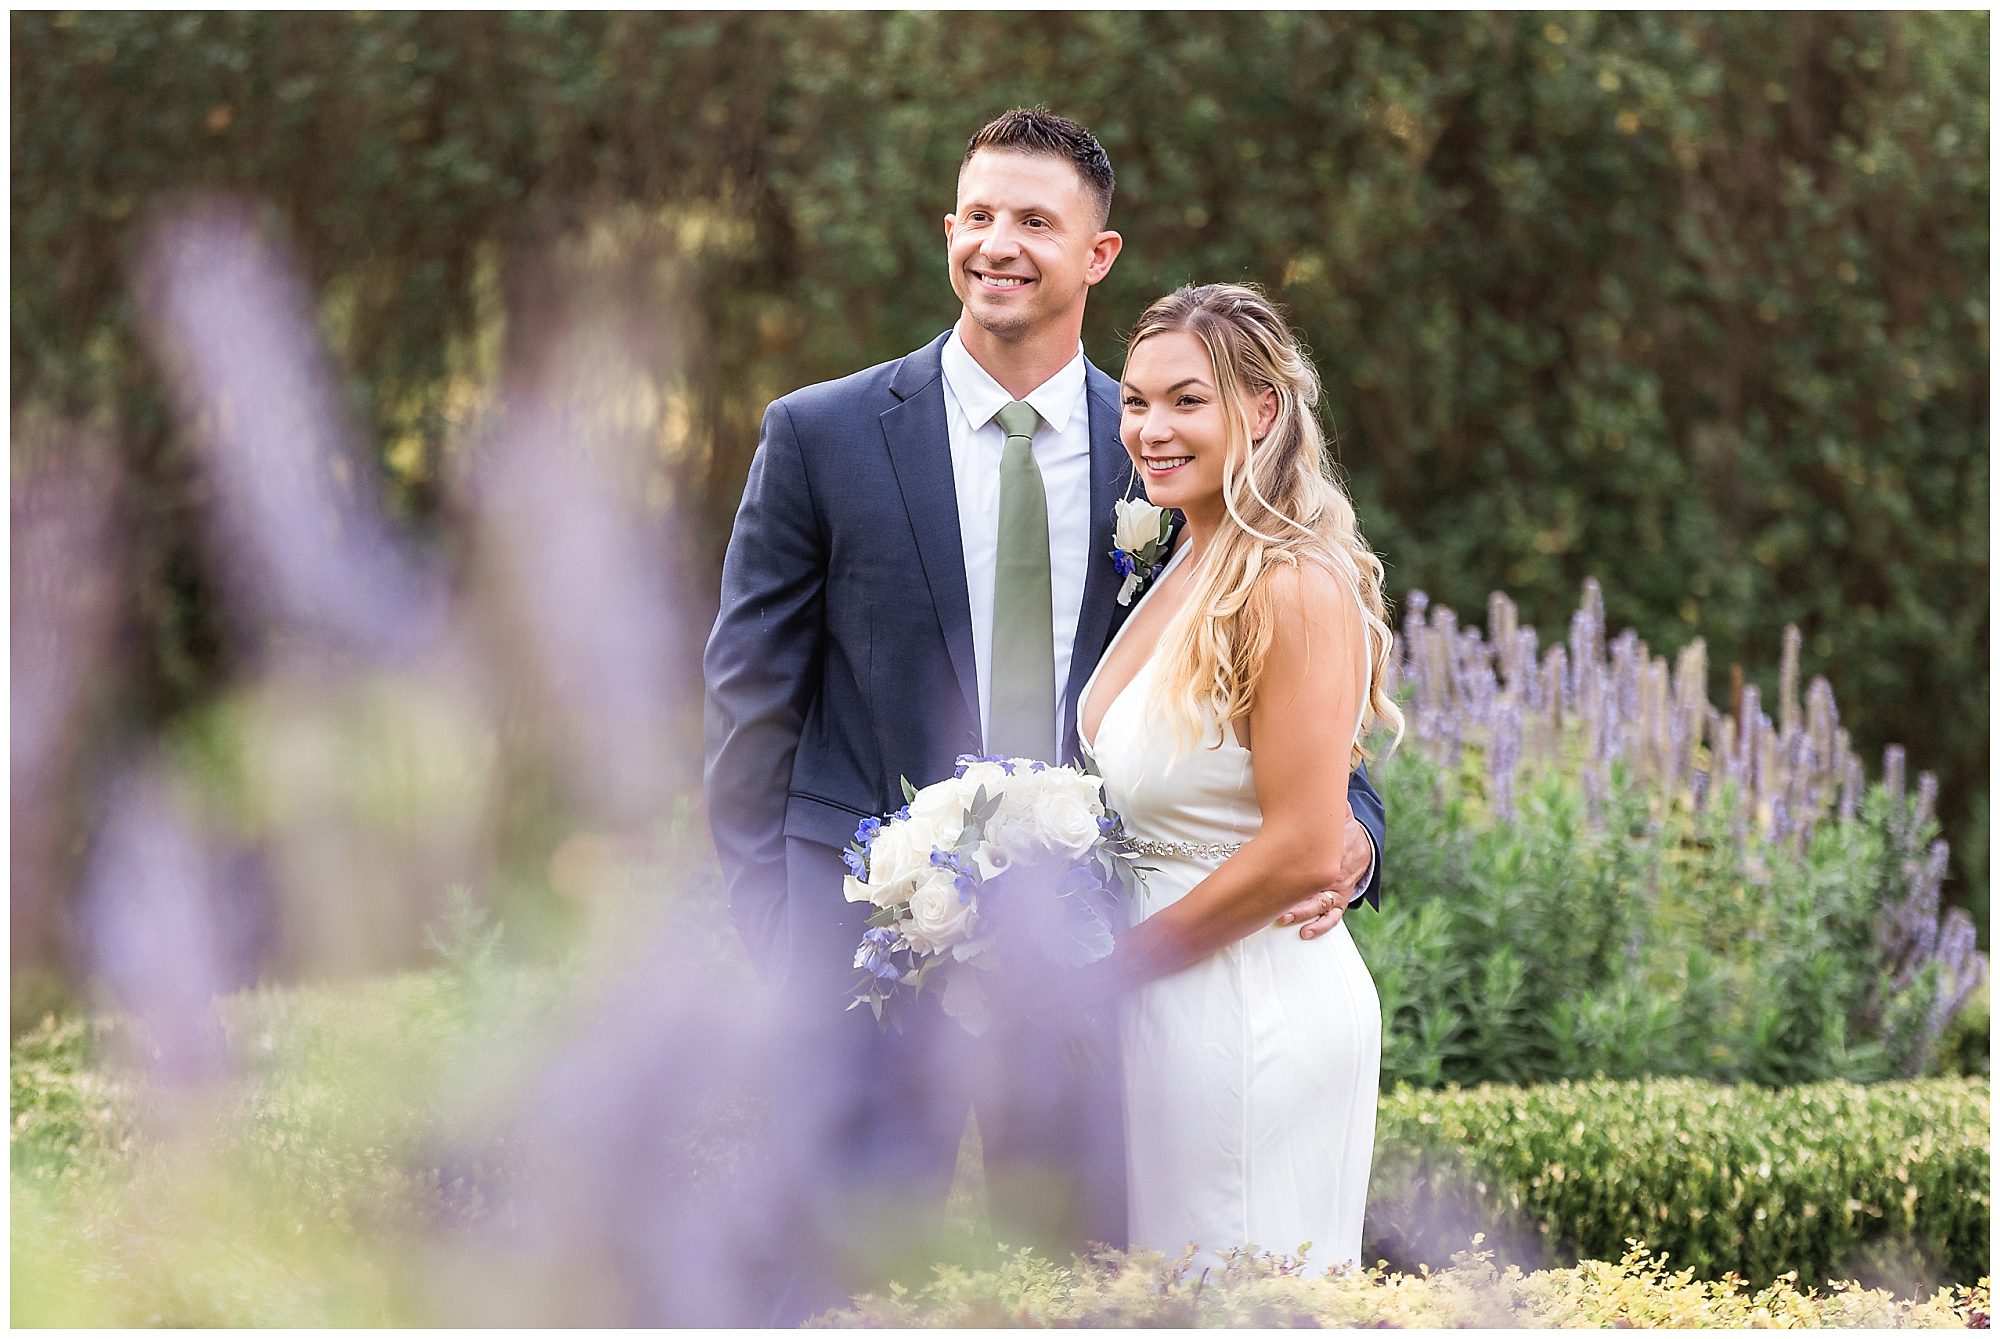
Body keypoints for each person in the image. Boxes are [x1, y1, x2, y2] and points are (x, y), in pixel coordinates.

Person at [702, 110, 1385, 1319]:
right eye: (977, 216)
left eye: (1033, 220)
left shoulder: (1169, 444)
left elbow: (1291, 679)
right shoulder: (818, 436)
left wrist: (1355, 835)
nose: (997, 244)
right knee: (849, 1288)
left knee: (1098, 1287)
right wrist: (782, 945)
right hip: (866, 960)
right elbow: (747, 708)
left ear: (1097, 254)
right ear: (946, 231)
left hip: (1100, 977)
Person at [1077, 282, 1399, 1273]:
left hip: (1248, 1006)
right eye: (1134, 401)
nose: (1149, 428)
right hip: (1168, 1006)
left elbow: (1305, 840)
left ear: (1260, 411)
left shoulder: (1292, 583)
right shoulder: (1179, 558)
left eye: (1186, 400)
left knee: (1242, 1294)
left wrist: (1107, 978)